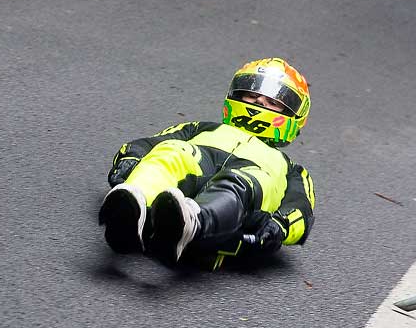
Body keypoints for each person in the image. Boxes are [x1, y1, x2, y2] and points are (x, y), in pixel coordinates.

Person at [98, 57, 316, 270]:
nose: (259, 102)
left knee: (243, 181)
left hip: (246, 186)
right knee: (172, 151)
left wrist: (280, 226)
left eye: (273, 102)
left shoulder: (291, 170)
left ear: (293, 115)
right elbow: (148, 144)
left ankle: (193, 222)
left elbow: (300, 207)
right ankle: (134, 204)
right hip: (199, 161)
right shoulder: (201, 128)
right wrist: (129, 160)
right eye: (251, 95)